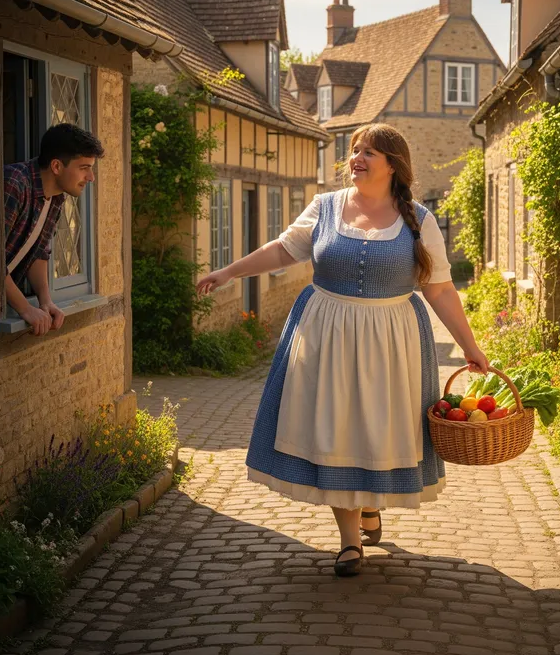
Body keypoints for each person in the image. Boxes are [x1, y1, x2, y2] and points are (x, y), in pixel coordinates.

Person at [197, 123, 489, 576]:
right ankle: (350, 540)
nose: (357, 158)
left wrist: (471, 347)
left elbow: (442, 291)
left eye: (369, 152)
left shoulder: (419, 220)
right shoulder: (326, 207)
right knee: (334, 431)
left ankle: (369, 504)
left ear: (393, 165)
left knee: (378, 432)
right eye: (354, 150)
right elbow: (283, 251)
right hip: (325, 334)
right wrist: (230, 273)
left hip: (393, 342)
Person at [4, 123, 104, 336]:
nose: (91, 178)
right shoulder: (15, 183)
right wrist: (24, 308)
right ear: (57, 166)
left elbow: (39, 252)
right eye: (84, 168)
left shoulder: (56, 198)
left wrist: (45, 301)